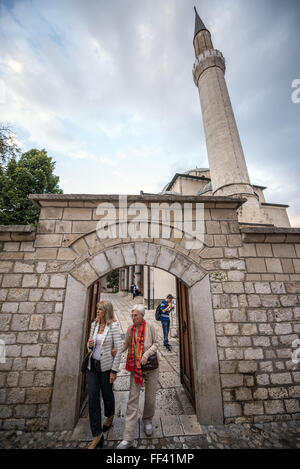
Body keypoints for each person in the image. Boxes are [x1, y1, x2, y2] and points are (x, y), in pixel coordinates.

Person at [117, 304, 159, 449]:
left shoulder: (151, 327)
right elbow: (126, 344)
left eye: (135, 315)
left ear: (142, 315)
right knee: (132, 400)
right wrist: (117, 350)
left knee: (150, 397)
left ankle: (147, 420)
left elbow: (156, 344)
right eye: (132, 315)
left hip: (150, 368)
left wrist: (146, 355)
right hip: (135, 368)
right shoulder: (130, 329)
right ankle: (128, 437)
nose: (133, 318)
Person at [86, 300, 122, 449]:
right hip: (92, 366)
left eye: (100, 309)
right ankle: (97, 435)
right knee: (93, 398)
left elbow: (118, 350)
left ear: (106, 311)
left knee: (107, 394)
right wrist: (89, 345)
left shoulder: (113, 326)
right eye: (97, 309)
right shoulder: (94, 325)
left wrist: (114, 371)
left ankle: (110, 414)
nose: (98, 311)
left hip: (106, 367)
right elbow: (89, 344)